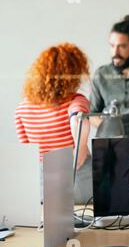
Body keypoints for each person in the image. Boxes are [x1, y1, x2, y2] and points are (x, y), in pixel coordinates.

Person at [15, 43, 91, 202]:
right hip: (77, 179)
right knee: (85, 221)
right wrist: (80, 149)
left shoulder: (22, 109)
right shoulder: (75, 101)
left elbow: (25, 155)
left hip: (43, 183)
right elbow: (78, 119)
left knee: (51, 223)